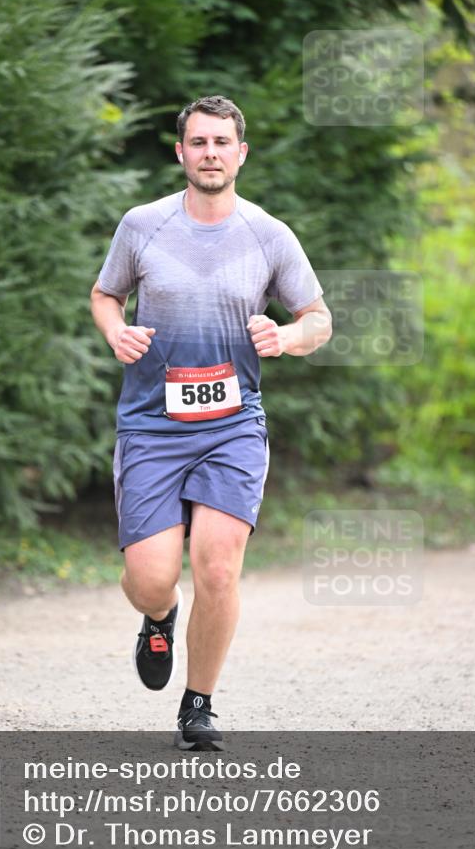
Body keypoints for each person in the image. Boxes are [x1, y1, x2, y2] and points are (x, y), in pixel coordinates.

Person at [90, 95, 332, 751]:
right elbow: (106, 294)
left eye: (222, 143)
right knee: (151, 579)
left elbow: (318, 319)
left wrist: (287, 337)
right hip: (151, 424)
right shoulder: (143, 225)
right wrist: (115, 331)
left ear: (241, 153)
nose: (210, 154)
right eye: (198, 143)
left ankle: (197, 705)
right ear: (180, 153)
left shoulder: (268, 235)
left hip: (232, 426)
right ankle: (160, 615)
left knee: (218, 569)